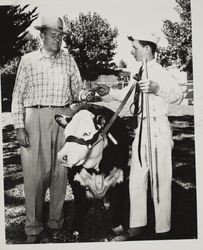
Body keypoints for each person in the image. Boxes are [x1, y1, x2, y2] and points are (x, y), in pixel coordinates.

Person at [12, 16, 94, 244]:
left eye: (60, 35)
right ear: (42, 35)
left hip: (64, 119)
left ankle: (55, 223)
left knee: (59, 174)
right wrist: (19, 126)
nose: (57, 39)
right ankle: (33, 227)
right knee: (35, 176)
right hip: (34, 117)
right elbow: (17, 96)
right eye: (53, 35)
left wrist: (85, 95)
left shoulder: (69, 61)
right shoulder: (28, 60)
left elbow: (77, 91)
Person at [93, 32, 183, 240]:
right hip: (141, 130)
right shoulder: (140, 71)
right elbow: (128, 95)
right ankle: (137, 225)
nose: (132, 51)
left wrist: (157, 88)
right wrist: (107, 92)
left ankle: (163, 229)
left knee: (160, 181)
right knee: (136, 180)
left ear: (147, 49)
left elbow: (177, 95)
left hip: (158, 129)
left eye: (135, 47)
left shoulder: (160, 72)